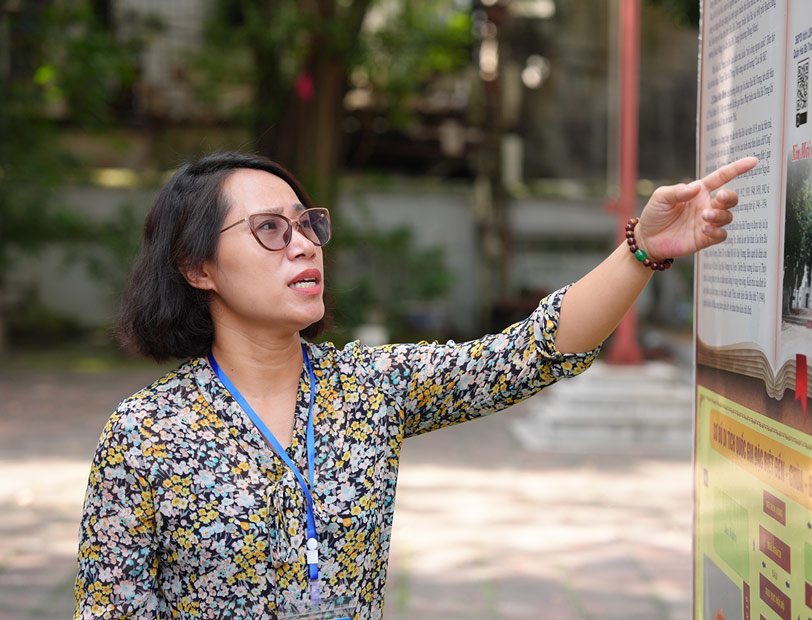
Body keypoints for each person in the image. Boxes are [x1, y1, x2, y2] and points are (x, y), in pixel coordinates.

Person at [74, 151, 756, 619]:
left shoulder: (368, 387)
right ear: (198, 267)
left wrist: (643, 251)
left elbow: (528, 354)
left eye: (308, 224)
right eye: (270, 230)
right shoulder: (146, 432)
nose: (306, 244)